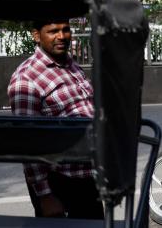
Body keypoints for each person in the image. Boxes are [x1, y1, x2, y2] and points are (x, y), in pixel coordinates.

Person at [8, 19, 103, 219]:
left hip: (87, 178)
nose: (62, 36)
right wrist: (45, 196)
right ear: (36, 35)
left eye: (66, 30)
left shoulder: (72, 66)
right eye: (53, 31)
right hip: (59, 183)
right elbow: (28, 145)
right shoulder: (25, 79)